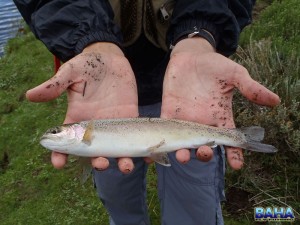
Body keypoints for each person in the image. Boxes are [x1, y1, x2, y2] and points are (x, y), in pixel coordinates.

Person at [14, 1, 280, 224]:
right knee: (117, 196)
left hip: (187, 95)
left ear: (79, 130)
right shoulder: (88, 132)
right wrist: (91, 40)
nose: (54, 134)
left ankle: (235, 137)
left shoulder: (88, 132)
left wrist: (201, 33)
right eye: (56, 132)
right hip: (101, 93)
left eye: (56, 132)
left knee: (194, 202)